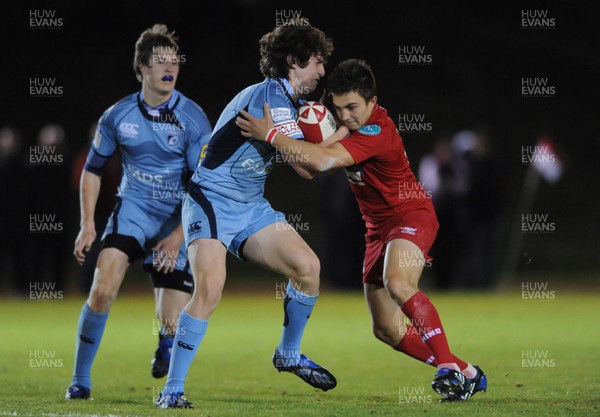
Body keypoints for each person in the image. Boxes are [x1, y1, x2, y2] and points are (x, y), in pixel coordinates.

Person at [237, 59, 487, 402]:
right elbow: (312, 165)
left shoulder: (377, 131)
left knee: (399, 283)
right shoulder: (348, 121)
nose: (346, 115)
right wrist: (315, 134)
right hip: (376, 230)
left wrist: (271, 134)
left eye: (353, 107)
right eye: (338, 108)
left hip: (409, 215)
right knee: (385, 328)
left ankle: (447, 367)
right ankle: (468, 372)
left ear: (372, 101)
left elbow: (322, 161)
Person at [156, 21, 341, 409]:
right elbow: (308, 169)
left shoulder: (291, 105)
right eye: (317, 62)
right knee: (209, 289)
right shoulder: (272, 94)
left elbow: (309, 162)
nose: (323, 71)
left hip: (250, 207)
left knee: (308, 268)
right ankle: (172, 389)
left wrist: (319, 141)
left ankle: (288, 354)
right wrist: (333, 140)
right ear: (293, 60)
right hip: (210, 200)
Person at [65, 24, 212, 400]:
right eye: (160, 61)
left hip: (175, 218)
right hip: (133, 212)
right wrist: (87, 225)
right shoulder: (117, 116)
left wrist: (179, 236)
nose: (170, 67)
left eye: (175, 61)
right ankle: (80, 381)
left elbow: (203, 185)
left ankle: (165, 340)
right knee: (102, 290)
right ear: (142, 68)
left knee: (172, 320)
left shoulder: (193, 119)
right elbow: (92, 169)